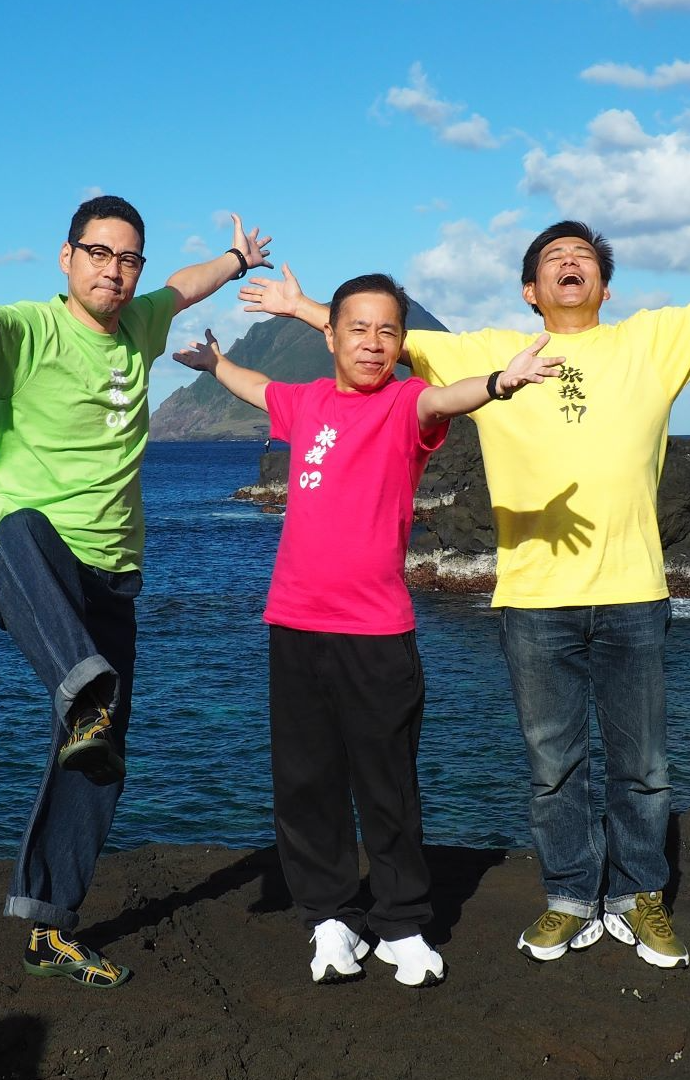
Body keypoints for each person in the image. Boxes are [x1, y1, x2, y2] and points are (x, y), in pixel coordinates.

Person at [240, 182, 690, 969]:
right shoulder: (478, 350)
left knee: (644, 768)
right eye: (552, 259)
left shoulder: (651, 340)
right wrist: (300, 309)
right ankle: (569, 897)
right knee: (553, 766)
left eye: (584, 256)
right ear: (530, 292)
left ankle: (638, 899)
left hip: (634, 591)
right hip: (532, 598)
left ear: (604, 283)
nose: (570, 262)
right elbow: (369, 339)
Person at [0, 194, 274, 988]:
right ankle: (82, 685)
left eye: (128, 258)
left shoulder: (142, 322)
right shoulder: (32, 328)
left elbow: (186, 285)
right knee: (20, 523)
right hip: (23, 561)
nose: (116, 270)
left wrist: (238, 261)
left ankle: (48, 927)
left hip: (112, 577)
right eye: (99, 253)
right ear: (66, 258)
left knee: (97, 757)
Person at [172, 274, 563, 986]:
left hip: (378, 631)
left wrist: (501, 383)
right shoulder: (308, 400)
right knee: (306, 782)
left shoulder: (406, 403)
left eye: (388, 331)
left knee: (387, 785)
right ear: (330, 336)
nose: (373, 343)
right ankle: (328, 918)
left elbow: (449, 395)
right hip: (293, 623)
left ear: (400, 342)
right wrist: (213, 365)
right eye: (358, 328)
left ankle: (402, 924)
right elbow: (260, 389)